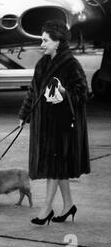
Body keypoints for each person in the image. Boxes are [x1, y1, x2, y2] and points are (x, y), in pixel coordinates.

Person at [18, 19, 90, 225]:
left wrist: (63, 92)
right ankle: (68, 205)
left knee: (54, 168)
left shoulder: (71, 64)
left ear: (58, 42)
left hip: (63, 127)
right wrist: (24, 115)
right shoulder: (42, 63)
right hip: (45, 126)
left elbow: (82, 93)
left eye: (46, 40)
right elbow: (33, 92)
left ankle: (46, 209)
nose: (42, 44)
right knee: (59, 169)